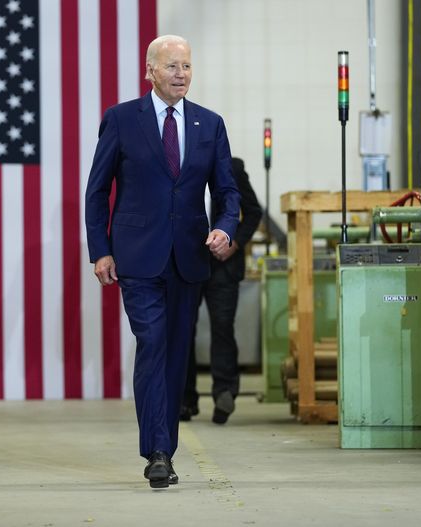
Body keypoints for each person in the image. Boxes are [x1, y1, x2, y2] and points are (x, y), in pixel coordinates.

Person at [84, 34, 241, 489]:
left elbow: (228, 192)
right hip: (137, 258)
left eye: (187, 66)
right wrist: (101, 249)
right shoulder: (120, 120)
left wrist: (225, 227)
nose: (181, 74)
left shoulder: (209, 125)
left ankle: (163, 449)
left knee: (175, 354)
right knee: (152, 343)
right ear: (150, 70)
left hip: (189, 258)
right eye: (172, 66)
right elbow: (97, 191)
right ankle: (156, 451)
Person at [181, 157, 263, 425]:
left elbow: (253, 212)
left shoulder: (233, 168)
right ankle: (185, 399)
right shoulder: (179, 166)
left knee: (223, 327)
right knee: (182, 330)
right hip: (186, 262)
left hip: (224, 265)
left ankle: (225, 393)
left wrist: (235, 243)